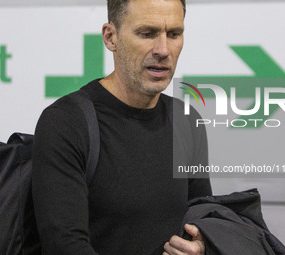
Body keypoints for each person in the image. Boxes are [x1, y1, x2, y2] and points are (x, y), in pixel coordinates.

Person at [32, 0, 212, 254]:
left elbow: (203, 222)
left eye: (174, 34)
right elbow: (64, 246)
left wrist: (202, 248)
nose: (163, 49)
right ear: (110, 37)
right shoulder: (66, 122)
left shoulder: (188, 120)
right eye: (146, 33)